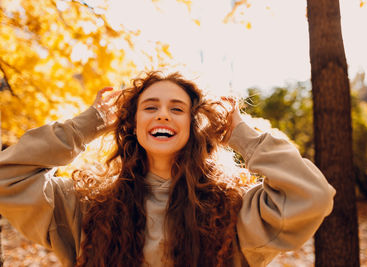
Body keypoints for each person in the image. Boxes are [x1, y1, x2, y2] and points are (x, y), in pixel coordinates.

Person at [0, 71, 335, 267]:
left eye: (177, 108)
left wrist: (241, 134)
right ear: (132, 124)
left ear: (193, 125)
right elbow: (8, 178)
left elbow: (313, 196)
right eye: (150, 107)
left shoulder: (234, 209)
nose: (163, 115)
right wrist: (88, 124)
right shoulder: (86, 204)